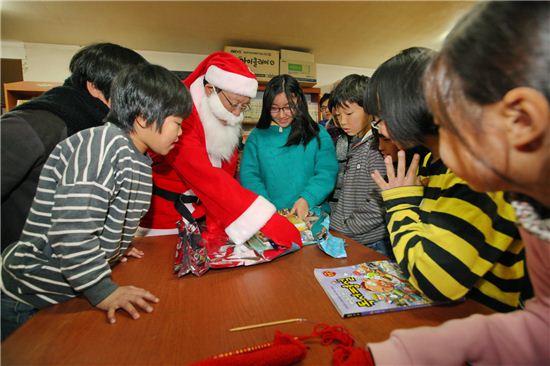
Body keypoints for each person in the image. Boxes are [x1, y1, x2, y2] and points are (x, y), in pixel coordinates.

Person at [367, 2, 549, 364]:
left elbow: (440, 278)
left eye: (447, 123)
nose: (438, 146)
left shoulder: (501, 191)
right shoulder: (533, 209)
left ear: (522, 120)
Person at [1, 63, 193, 340]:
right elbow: (71, 232)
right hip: (26, 295)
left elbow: (103, 215)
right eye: (177, 123)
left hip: (62, 291)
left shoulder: (136, 156)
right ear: (143, 117)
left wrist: (114, 246)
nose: (180, 133)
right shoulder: (102, 148)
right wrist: (105, 291)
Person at [366, 46, 528, 312]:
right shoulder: (432, 160)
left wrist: (400, 202)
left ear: (410, 105)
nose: (380, 129)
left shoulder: (479, 168)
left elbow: (435, 280)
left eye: (380, 118)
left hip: (487, 317)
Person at [139, 52, 301, 254]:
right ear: (210, 89)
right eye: (233, 104)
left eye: (244, 106)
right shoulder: (182, 118)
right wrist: (266, 220)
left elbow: (227, 175)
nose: (236, 113)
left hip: (205, 218)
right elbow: (205, 176)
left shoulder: (226, 118)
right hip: (167, 222)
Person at [1, 43, 148, 251]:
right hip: (24, 269)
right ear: (95, 87)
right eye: (129, 93)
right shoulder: (35, 126)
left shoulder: (103, 133)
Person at [239, 74, 338, 220]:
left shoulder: (317, 134)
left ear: (299, 102)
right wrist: (267, 207)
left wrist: (307, 198)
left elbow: (327, 173)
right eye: (274, 109)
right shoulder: (257, 136)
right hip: (267, 215)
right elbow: (249, 176)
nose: (281, 115)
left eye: (288, 107)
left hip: (311, 214)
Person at [328, 74, 389, 256]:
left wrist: (346, 226)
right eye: (338, 116)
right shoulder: (358, 143)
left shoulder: (378, 147)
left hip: (371, 242)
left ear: (370, 109)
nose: (343, 122)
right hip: (354, 237)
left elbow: (380, 203)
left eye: (348, 114)